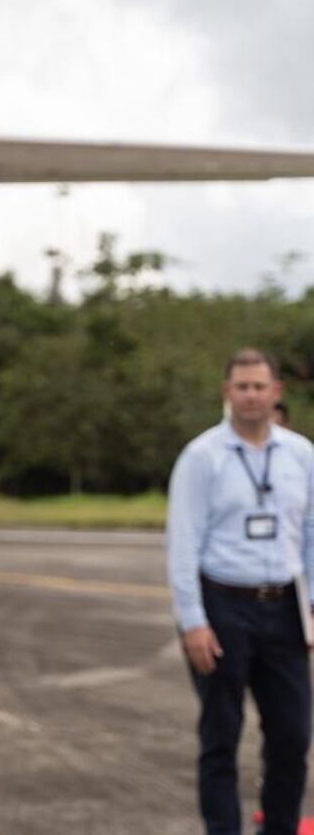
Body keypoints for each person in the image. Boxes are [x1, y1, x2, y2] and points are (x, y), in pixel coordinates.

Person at [166, 348, 314, 835]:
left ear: (277, 393)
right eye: (242, 387)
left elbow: (311, 535)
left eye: (260, 386)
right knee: (221, 736)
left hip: (286, 608)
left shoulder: (301, 454)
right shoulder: (201, 457)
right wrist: (193, 622)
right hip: (223, 605)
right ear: (227, 393)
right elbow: (183, 544)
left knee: (292, 737)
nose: (251, 395)